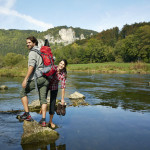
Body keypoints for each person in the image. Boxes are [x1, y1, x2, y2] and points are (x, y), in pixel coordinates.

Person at [20, 36, 49, 127]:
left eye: (29, 42)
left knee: (22, 92)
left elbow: (31, 67)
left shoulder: (32, 52)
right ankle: (43, 120)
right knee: (43, 99)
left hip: (38, 78)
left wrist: (25, 79)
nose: (27, 44)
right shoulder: (41, 51)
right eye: (27, 43)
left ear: (34, 43)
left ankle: (27, 115)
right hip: (46, 78)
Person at [48, 59, 68, 129]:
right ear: (58, 63)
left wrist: (62, 99)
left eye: (63, 64)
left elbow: (63, 86)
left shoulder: (63, 74)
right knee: (43, 101)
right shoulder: (53, 68)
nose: (61, 65)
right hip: (47, 85)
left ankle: (50, 121)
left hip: (54, 87)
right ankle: (43, 119)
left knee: (52, 104)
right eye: (61, 63)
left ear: (64, 66)